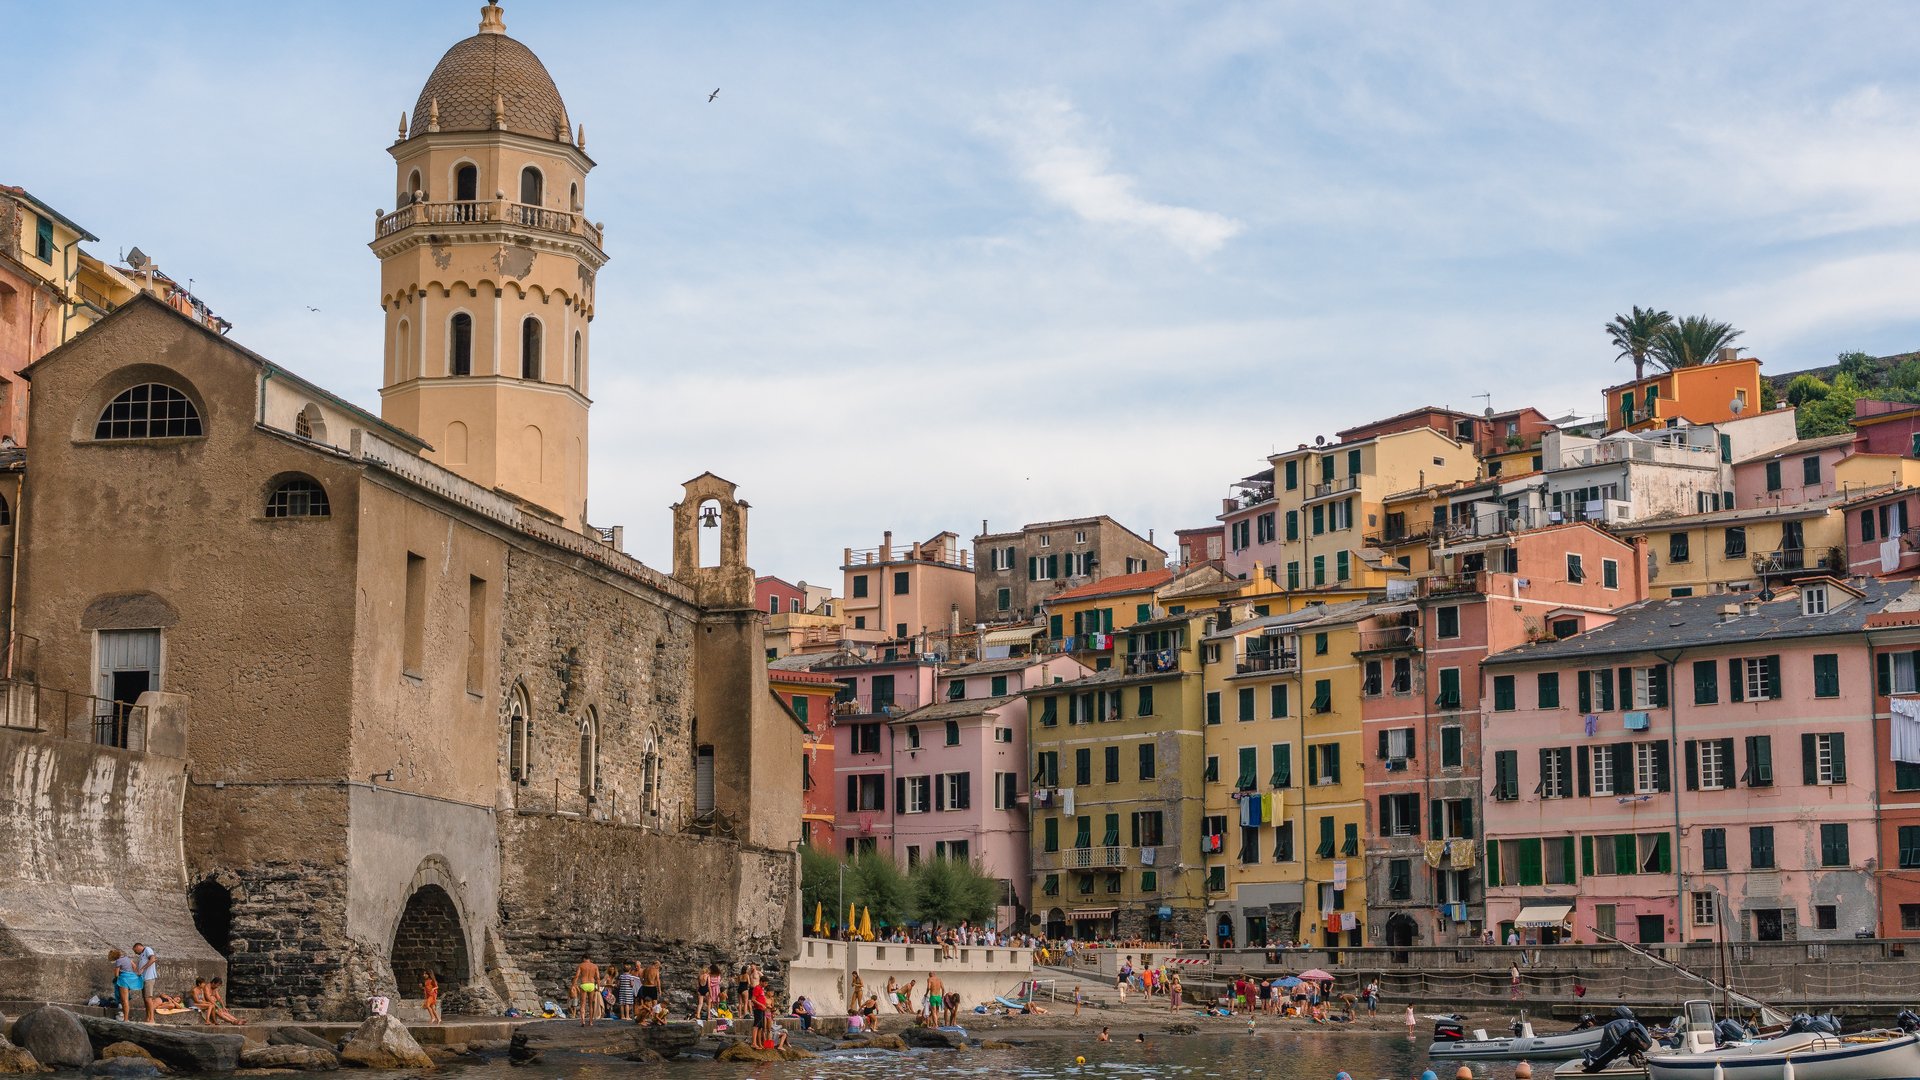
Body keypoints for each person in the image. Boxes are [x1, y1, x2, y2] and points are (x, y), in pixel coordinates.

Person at [109, 950, 140, 1022]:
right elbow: (134, 966)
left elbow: (116, 974)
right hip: (130, 979)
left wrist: (116, 979)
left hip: (123, 980)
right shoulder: (127, 958)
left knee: (124, 1000)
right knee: (125, 999)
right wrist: (131, 973)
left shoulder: (118, 961)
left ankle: (126, 1019)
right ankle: (125, 1018)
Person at [132, 942, 158, 1024]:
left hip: (149, 978)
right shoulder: (141, 955)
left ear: (138, 947)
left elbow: (153, 959)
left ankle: (152, 1019)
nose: (135, 953)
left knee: (148, 999)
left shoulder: (147, 949)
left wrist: (143, 968)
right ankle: (147, 1017)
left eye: (135, 950)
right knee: (145, 999)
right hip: (144, 979)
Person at [573, 956, 602, 1027]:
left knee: (582, 1004)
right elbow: (598, 978)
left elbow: (576, 976)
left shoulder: (581, 965)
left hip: (584, 984)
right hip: (592, 984)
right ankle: (591, 1022)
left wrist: (573, 985)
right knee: (591, 1005)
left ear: (584, 959)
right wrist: (598, 987)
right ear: (589, 959)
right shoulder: (594, 966)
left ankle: (583, 1021)